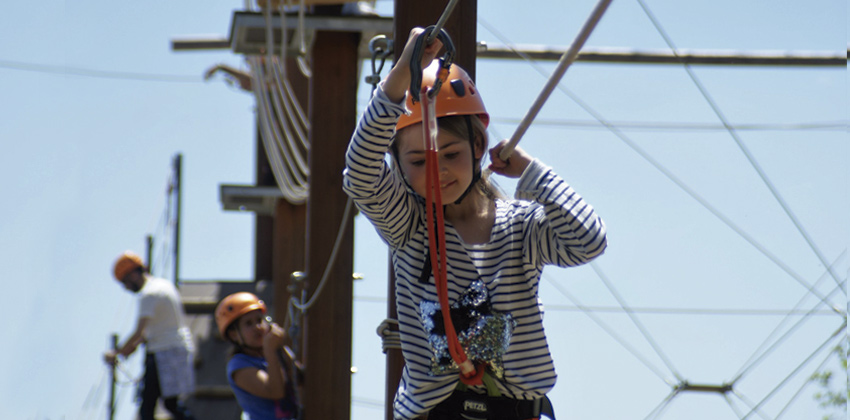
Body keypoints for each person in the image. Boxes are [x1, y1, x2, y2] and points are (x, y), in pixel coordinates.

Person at [342, 27, 608, 420]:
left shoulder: (522, 227)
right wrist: (400, 76)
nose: (438, 171)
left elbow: (589, 239)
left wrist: (534, 173)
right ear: (398, 167)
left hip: (520, 410)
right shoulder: (409, 226)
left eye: (451, 153)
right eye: (419, 162)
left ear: (479, 147)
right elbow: (360, 172)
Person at [104, 251, 196, 420]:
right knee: (171, 404)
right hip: (178, 348)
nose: (126, 288)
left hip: (163, 353)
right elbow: (150, 331)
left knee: (147, 408)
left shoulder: (148, 294)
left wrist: (116, 353)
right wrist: (129, 349)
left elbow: (139, 332)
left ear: (133, 274)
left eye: (125, 282)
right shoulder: (164, 285)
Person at [214, 292, 299, 420]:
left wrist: (278, 349)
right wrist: (270, 350)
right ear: (234, 335)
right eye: (248, 323)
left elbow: (299, 376)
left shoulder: (271, 355)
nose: (257, 327)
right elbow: (275, 391)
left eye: (259, 320)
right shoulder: (238, 366)